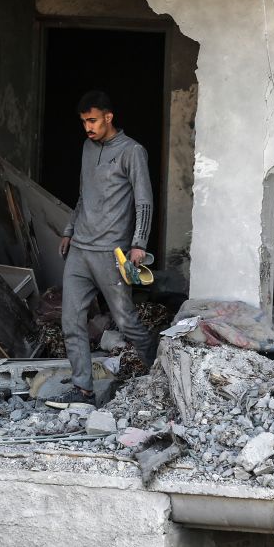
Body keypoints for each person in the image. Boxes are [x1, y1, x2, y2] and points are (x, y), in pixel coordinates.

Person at [53, 90, 159, 405]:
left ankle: (159, 367)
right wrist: (69, 229)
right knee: (70, 319)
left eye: (93, 120)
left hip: (112, 253)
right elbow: (84, 193)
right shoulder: (87, 147)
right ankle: (83, 390)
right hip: (80, 250)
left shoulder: (132, 151)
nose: (88, 127)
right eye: (84, 121)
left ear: (108, 117)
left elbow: (144, 201)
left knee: (125, 319)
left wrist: (139, 244)